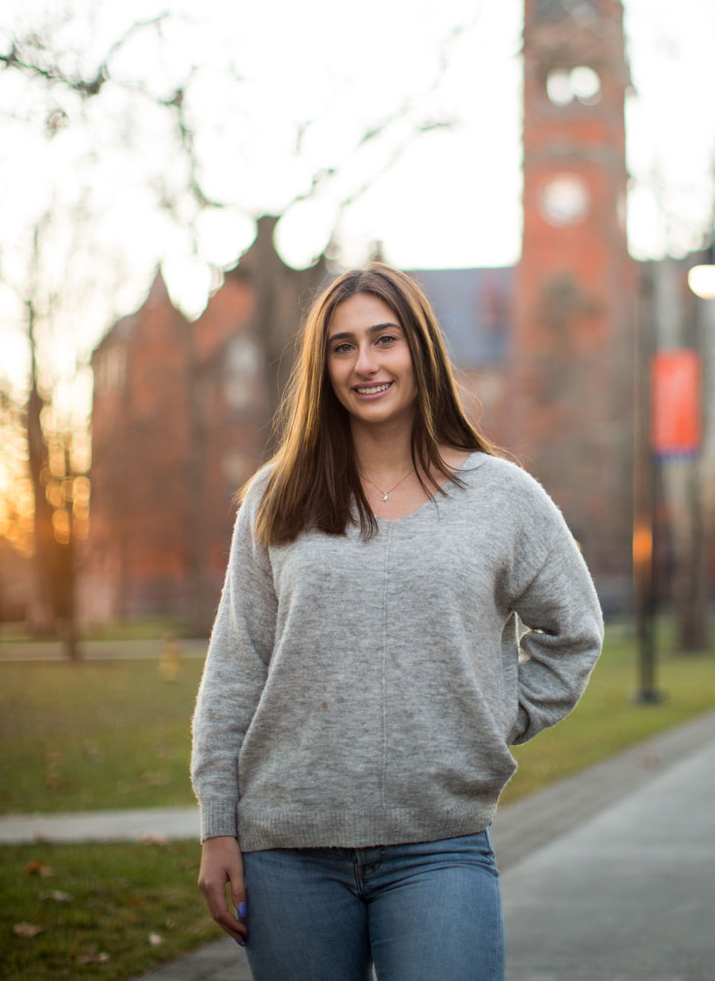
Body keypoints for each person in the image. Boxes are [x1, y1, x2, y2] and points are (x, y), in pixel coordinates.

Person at [191, 263, 603, 981]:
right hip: (286, 850)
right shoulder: (275, 497)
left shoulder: (499, 496)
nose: (366, 364)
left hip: (438, 844)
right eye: (343, 347)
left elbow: (574, 631)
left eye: (385, 339)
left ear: (421, 349)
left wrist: (491, 715)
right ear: (323, 368)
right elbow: (237, 665)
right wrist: (218, 826)